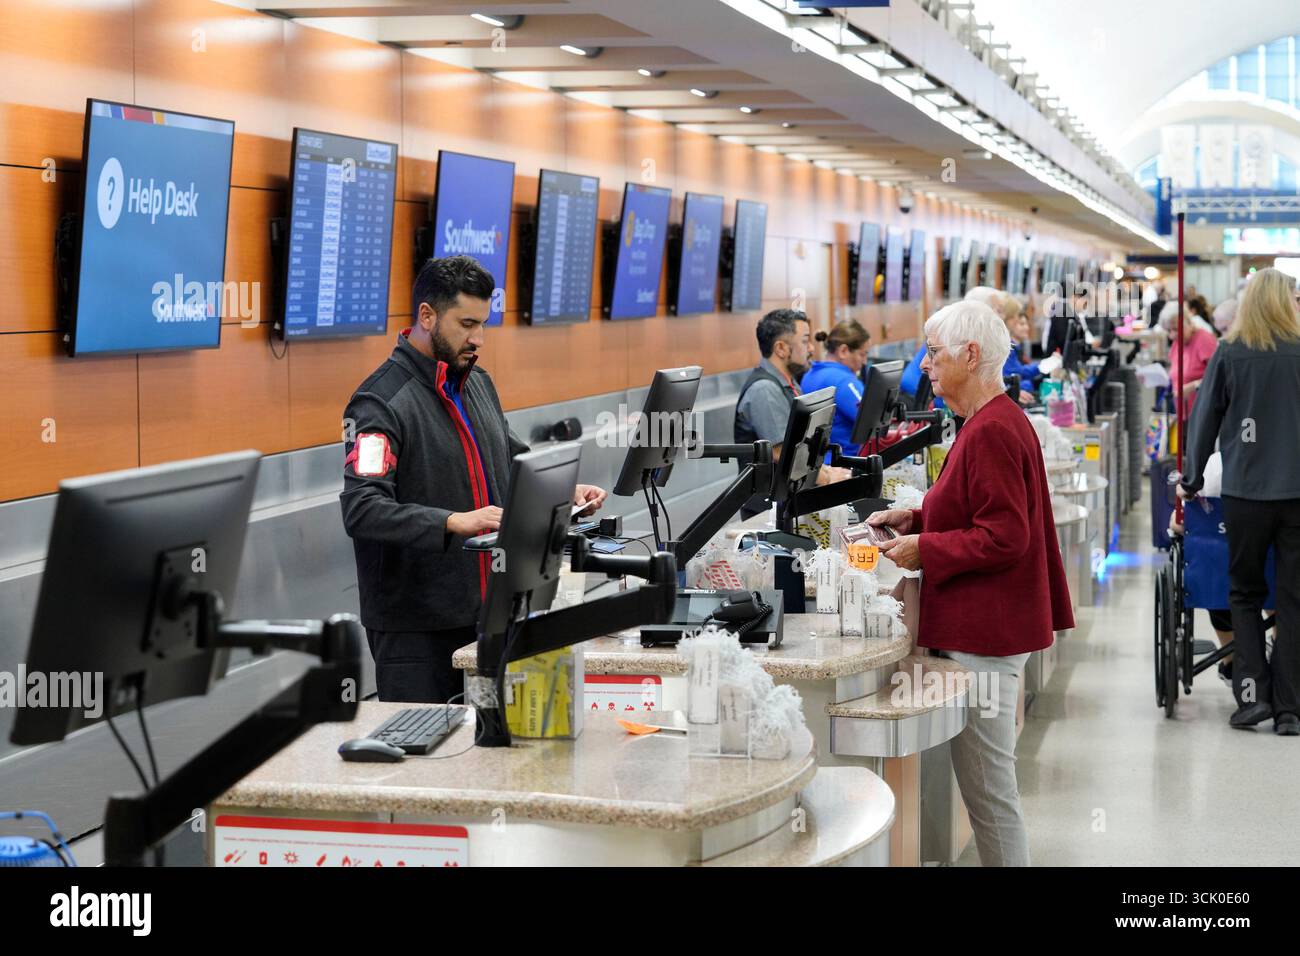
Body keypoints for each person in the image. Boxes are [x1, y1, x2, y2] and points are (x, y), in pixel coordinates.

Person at [340, 256, 608, 703]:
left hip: (490, 614)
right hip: (418, 633)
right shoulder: (378, 403)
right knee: (425, 763)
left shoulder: (477, 383)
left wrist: (565, 491)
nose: (478, 339)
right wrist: (452, 522)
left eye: (482, 324)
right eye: (466, 324)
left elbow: (512, 459)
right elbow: (362, 509)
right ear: (427, 316)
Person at [869, 299, 1074, 866]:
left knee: (989, 792)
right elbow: (983, 512)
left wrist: (923, 549)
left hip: (985, 637)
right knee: (986, 787)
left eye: (934, 354)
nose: (926, 366)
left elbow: (1006, 536)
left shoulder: (990, 431)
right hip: (987, 630)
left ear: (971, 354)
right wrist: (917, 519)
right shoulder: (991, 420)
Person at [1180, 267, 1300, 735]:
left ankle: (1252, 697)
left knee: (1245, 593)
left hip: (1246, 492)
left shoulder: (1231, 352)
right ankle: (1291, 708)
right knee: (1293, 599)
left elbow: (1205, 419)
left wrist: (1190, 478)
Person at [734, 309, 847, 517]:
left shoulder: (788, 381)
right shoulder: (764, 390)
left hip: (789, 504)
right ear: (781, 348)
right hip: (767, 514)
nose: (812, 348)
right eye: (805, 341)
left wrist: (829, 472)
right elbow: (783, 453)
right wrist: (828, 478)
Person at [800, 320, 871, 455]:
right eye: (862, 354)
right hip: (845, 461)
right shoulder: (844, 381)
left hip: (821, 461)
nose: (865, 361)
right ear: (843, 351)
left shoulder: (810, 374)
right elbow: (871, 422)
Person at [1161, 300, 1218, 420]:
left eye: (1175, 329)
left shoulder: (1204, 340)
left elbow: (1219, 377)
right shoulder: (1177, 343)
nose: (1172, 335)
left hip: (1203, 415)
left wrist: (1193, 386)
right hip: (1182, 413)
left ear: (1188, 322)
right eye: (1168, 331)